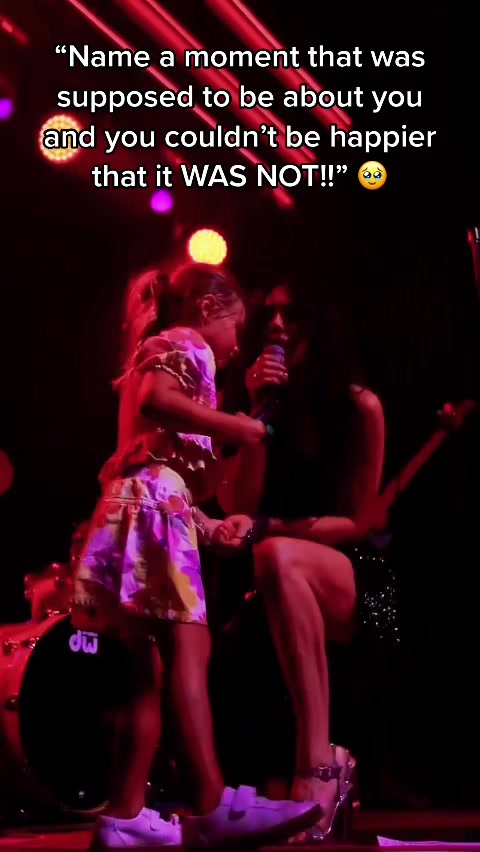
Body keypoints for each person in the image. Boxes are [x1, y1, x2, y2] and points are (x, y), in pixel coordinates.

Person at [71, 265, 320, 849]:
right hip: (153, 511)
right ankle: (211, 803)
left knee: (146, 676)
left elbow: (150, 459)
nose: (236, 348)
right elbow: (157, 402)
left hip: (142, 507)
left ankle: (124, 816)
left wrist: (206, 526)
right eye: (237, 328)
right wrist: (236, 424)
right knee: (190, 648)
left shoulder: (158, 351)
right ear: (209, 309)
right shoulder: (186, 343)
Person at [217, 282, 385, 842]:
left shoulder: (359, 406)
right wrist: (256, 415)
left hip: (360, 576)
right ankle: (316, 763)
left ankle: (316, 764)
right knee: (275, 563)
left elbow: (360, 520)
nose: (277, 326)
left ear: (320, 324)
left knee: (277, 555)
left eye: (292, 315)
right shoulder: (262, 405)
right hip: (278, 572)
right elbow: (237, 504)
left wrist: (271, 530)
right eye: (270, 314)